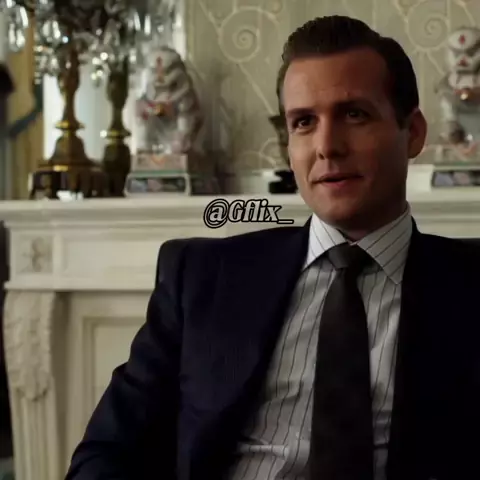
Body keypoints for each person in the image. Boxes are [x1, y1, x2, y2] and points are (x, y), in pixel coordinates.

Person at [65, 15, 480, 480]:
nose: (327, 147)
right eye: (304, 122)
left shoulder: (470, 286)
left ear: (414, 133)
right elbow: (107, 452)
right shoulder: (202, 278)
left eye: (354, 115)